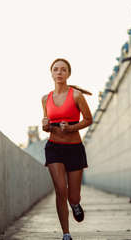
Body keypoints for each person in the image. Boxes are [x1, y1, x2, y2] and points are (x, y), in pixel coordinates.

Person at [41, 58, 93, 240]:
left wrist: (71, 128)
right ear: (51, 73)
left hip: (74, 149)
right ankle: (66, 233)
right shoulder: (45, 98)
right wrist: (45, 126)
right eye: (56, 69)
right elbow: (46, 124)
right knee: (60, 190)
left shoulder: (77, 95)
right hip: (54, 147)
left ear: (68, 74)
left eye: (63, 70)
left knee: (73, 196)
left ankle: (76, 204)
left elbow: (88, 119)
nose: (59, 72)